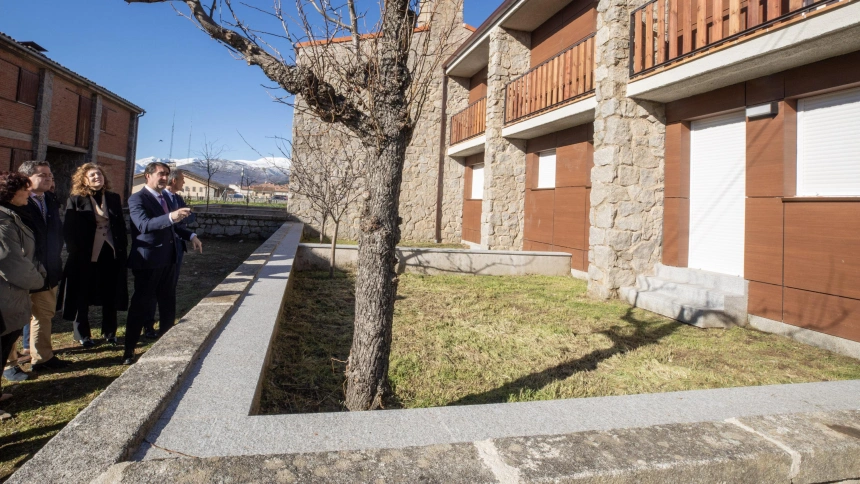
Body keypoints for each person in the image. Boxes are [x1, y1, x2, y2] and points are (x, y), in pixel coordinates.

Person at [124, 162, 201, 365]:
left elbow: (171, 227)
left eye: (167, 174)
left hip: (170, 258)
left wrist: (190, 234)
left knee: (168, 303)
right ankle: (129, 349)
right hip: (149, 261)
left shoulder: (165, 197)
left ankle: (166, 342)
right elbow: (144, 225)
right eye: (160, 174)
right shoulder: (137, 198)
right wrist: (170, 216)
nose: (164, 177)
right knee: (141, 305)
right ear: (148, 176)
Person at [58, 163, 129, 347]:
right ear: (84, 180)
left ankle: (110, 332)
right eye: (92, 175)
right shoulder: (76, 199)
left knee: (110, 293)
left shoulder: (113, 198)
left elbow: (120, 225)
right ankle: (83, 334)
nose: (97, 177)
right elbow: (69, 229)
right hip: (85, 256)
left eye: (99, 174)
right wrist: (75, 250)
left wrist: (123, 248)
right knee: (81, 294)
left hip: (110, 253)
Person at [0, 172, 46, 420]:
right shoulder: (2, 221)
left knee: (4, 346)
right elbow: (10, 261)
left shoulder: (12, 215)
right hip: (4, 296)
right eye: (25, 189)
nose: (30, 193)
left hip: (11, 296)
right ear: (11, 193)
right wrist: (38, 279)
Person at [16, 161, 68, 370]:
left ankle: (43, 357)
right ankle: (11, 363)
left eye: (50, 175)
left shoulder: (50, 199)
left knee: (44, 314)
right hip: (24, 270)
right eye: (42, 175)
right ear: (27, 179)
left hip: (49, 268)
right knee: (14, 319)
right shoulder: (17, 202)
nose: (48, 178)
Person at [142, 170, 197, 337]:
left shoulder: (177, 198)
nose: (184, 183)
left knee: (169, 288)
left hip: (177, 247)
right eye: (182, 180)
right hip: (159, 249)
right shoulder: (160, 198)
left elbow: (190, 217)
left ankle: (166, 326)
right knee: (152, 289)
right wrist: (177, 217)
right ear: (173, 181)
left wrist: (183, 221)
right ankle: (148, 325)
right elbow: (167, 221)